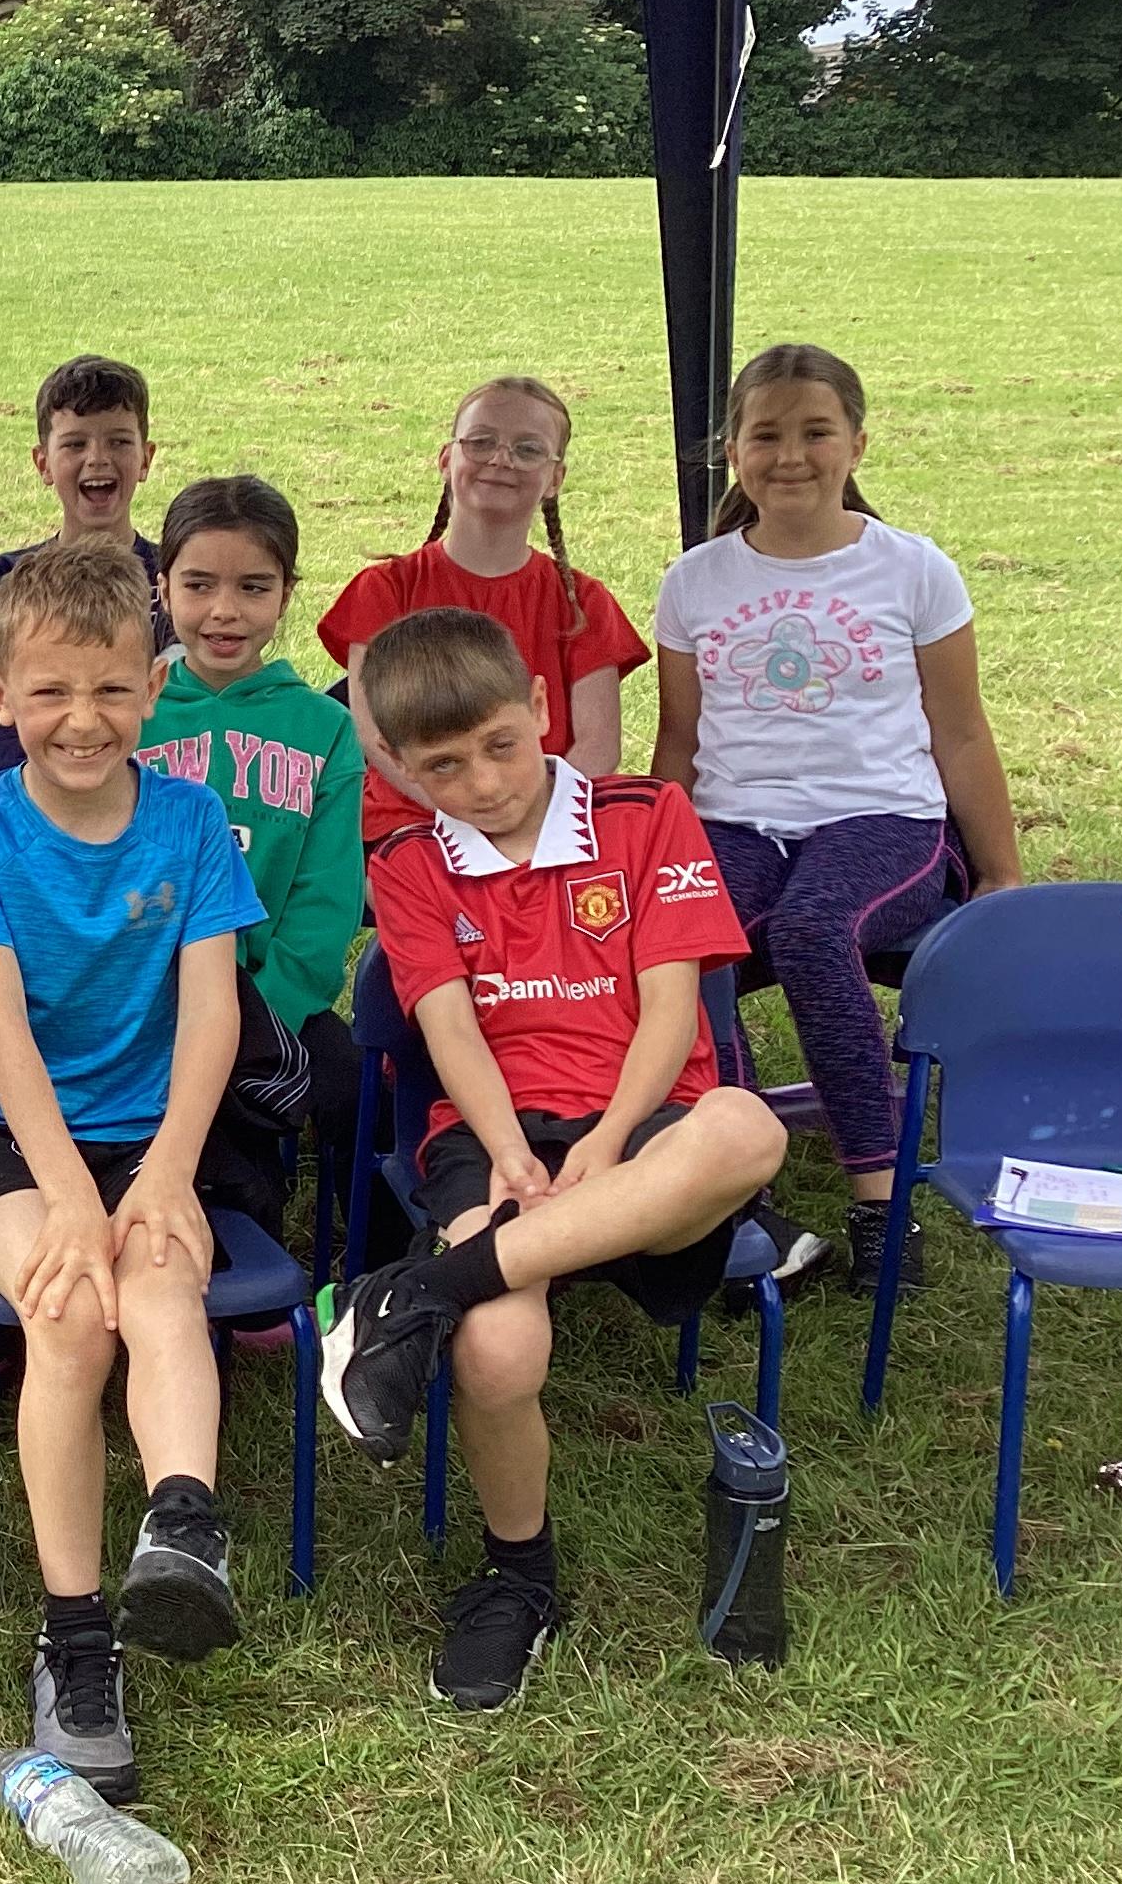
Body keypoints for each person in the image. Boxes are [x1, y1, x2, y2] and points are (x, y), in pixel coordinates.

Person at [318, 608, 787, 1712]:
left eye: (499, 745)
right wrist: (507, 1156)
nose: (482, 783)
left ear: (539, 706)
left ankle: (417, 1293)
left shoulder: (647, 814)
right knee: (496, 1347)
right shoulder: (409, 863)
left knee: (747, 1128)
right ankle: (518, 1576)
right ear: (399, 765)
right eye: (443, 767)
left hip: (648, 1126)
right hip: (496, 1136)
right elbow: (449, 1032)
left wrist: (612, 1143)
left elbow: (673, 1011)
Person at [0, 539, 270, 1801]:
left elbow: (215, 1012)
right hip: (9, 1140)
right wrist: (73, 1197)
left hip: (154, 1133)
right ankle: (74, 1640)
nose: (84, 718)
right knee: (69, 1311)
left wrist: (170, 1172)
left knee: (164, 1284)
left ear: (155, 687)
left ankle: (183, 1527)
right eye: (52, 691)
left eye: (114, 689)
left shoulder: (189, 820)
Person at [652, 342, 1023, 1291]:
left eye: (816, 432)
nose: (791, 456)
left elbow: (961, 732)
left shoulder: (914, 570)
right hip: (736, 824)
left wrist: (1001, 874)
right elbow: (680, 743)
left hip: (883, 821)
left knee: (814, 931)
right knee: (689, 943)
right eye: (765, 435)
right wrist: (657, 862)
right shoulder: (694, 581)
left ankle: (880, 1205)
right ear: (732, 450)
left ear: (856, 443)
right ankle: (739, 1206)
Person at [136, 474, 369, 1175]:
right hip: (135, 998)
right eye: (199, 585)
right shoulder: (128, 712)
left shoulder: (325, 728)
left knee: (353, 1089)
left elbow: (326, 899)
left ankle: (389, 1237)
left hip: (268, 1002)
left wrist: (257, 1018)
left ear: (286, 593)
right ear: (162, 587)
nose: (224, 611)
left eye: (254, 587)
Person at [319, 377, 646, 847]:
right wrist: (459, 812)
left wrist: (526, 823)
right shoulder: (386, 590)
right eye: (481, 442)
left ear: (556, 478)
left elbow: (598, 745)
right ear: (446, 459)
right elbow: (372, 733)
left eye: (528, 449)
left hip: (543, 827)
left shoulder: (582, 602)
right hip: (411, 824)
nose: (501, 459)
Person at [0, 355, 172, 777]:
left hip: (152, 787)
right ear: (42, 462)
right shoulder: (9, 576)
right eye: (75, 444)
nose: (97, 459)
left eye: (119, 442)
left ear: (146, 458)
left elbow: (184, 699)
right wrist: (40, 789)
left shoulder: (174, 575)